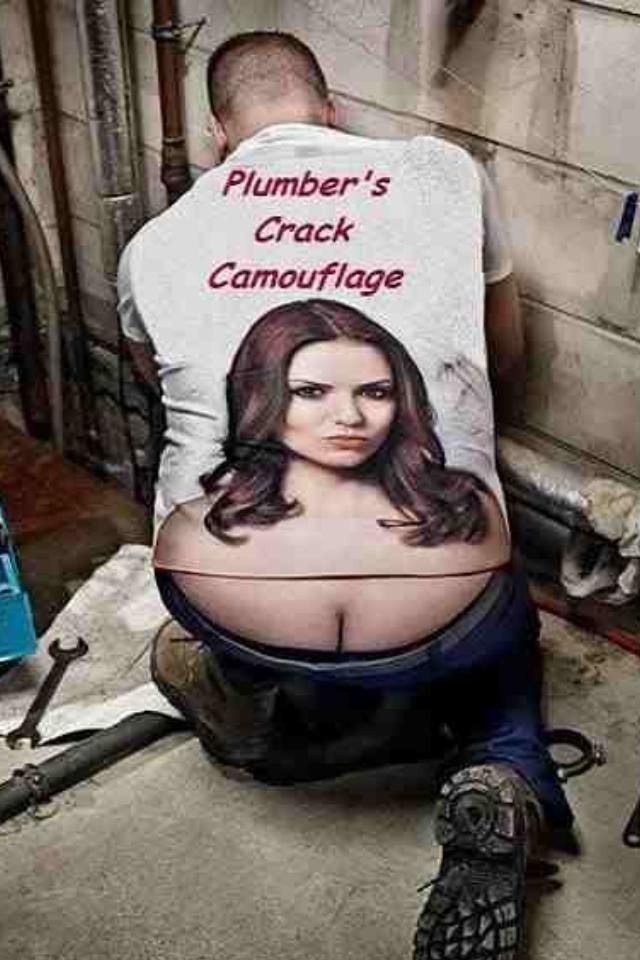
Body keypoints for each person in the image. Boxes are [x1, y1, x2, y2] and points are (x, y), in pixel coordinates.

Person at [117, 31, 572, 960]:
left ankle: (265, 711)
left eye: (370, 392)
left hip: (226, 608)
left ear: (217, 135)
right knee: (501, 628)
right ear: (330, 111)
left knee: (185, 648)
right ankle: (503, 771)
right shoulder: (447, 177)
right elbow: (502, 357)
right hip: (449, 616)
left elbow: (161, 389)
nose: (348, 418)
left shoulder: (151, 246)